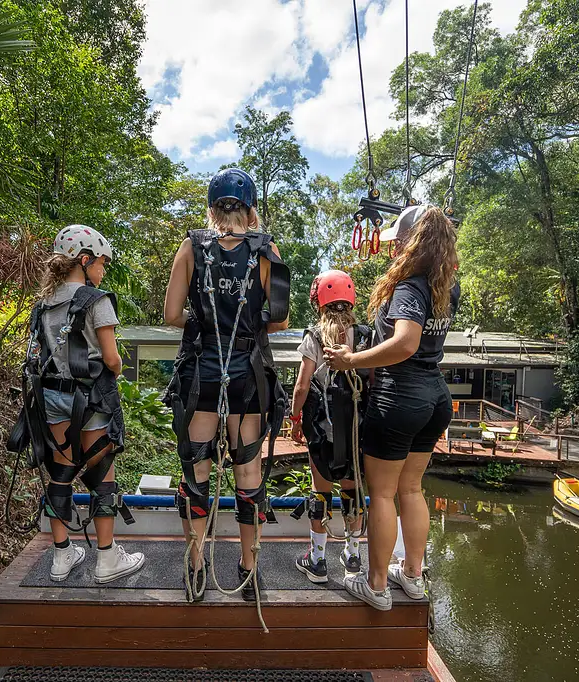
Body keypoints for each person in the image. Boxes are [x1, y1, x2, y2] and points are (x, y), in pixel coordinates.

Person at [162, 168, 290, 603]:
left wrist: (204, 322)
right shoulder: (267, 249)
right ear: (250, 209)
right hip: (247, 380)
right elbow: (281, 318)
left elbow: (172, 313)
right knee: (249, 473)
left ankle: (196, 567)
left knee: (197, 474)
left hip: (201, 375)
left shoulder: (191, 246)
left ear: (212, 208)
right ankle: (248, 572)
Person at [325, 205, 459, 611]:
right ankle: (413, 576)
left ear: (411, 241)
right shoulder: (446, 284)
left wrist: (350, 360)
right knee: (412, 488)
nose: (393, 249)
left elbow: (405, 343)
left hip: (399, 396)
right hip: (434, 395)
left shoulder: (409, 287)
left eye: (397, 242)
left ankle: (378, 585)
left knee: (382, 494)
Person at [26, 224, 145, 584]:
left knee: (60, 472)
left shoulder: (44, 302)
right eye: (102, 263)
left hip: (52, 397)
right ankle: (107, 559)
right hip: (91, 400)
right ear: (85, 259)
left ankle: (62, 555)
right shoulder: (97, 300)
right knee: (101, 474)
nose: (104, 269)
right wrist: (120, 367)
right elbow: (111, 359)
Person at [289, 270, 371, 583]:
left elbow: (301, 385)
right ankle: (352, 555)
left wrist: (295, 420)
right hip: (355, 431)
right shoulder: (364, 336)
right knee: (351, 490)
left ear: (319, 300)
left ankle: (318, 560)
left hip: (322, 430)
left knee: (320, 491)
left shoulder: (314, 336)